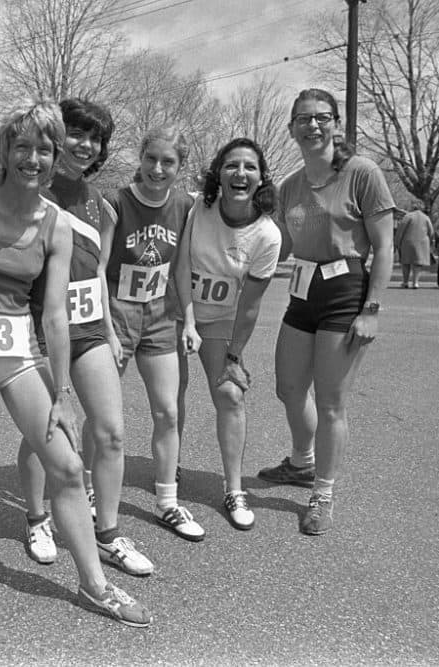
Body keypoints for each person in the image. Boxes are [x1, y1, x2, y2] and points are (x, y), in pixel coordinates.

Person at [0, 100, 151, 628]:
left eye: (45, 149)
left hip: (16, 347)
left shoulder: (55, 221)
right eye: (23, 147)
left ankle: (94, 585)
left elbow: (54, 315)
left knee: (69, 465)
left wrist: (61, 395)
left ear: (55, 160)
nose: (34, 158)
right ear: (4, 152)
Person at [16, 99, 154, 577]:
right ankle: (37, 518)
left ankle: (108, 533)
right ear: (57, 136)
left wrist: (112, 329)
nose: (85, 145)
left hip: (91, 329)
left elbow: (97, 270)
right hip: (39, 330)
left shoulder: (101, 203)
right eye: (77, 133)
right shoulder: (31, 188)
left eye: (95, 138)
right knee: (46, 435)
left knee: (110, 432)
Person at [258, 88, 395, 536]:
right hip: (302, 290)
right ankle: (301, 462)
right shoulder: (290, 186)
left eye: (321, 118)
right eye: (303, 119)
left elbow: (384, 245)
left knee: (332, 402)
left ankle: (323, 491)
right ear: (292, 127)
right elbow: (271, 238)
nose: (312, 126)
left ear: (336, 124)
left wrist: (371, 309)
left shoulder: (361, 173)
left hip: (345, 290)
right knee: (289, 387)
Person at [101, 125, 203, 542]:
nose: (157, 169)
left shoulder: (184, 205)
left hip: (161, 316)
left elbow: (180, 266)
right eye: (151, 159)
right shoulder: (117, 201)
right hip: (118, 312)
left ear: (180, 167)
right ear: (140, 158)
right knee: (106, 416)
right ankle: (92, 491)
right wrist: (105, 327)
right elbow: (98, 265)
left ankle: (167, 500)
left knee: (168, 412)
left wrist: (190, 321)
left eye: (168, 162)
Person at [174, 137, 282, 531]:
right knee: (172, 394)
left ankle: (234, 488)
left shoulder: (267, 235)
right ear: (218, 173)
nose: (240, 173)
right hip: (176, 310)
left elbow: (250, 305)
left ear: (261, 177)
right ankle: (170, 469)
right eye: (231, 165)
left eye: (250, 167)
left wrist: (234, 357)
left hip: (221, 320)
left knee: (230, 394)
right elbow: (179, 264)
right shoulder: (194, 207)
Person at [395, 203, 433, 288]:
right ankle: (415, 282)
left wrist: (397, 242)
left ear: (413, 207)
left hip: (407, 242)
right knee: (417, 263)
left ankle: (405, 282)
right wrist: (430, 241)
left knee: (405, 262)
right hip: (422, 243)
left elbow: (400, 231)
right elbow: (431, 232)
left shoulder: (408, 216)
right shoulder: (426, 217)